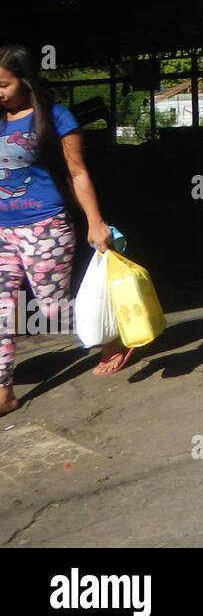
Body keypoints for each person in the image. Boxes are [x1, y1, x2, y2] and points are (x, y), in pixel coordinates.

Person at [0, 45, 130, 413]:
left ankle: (112, 336)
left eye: (4, 84)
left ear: (24, 80)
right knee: (1, 310)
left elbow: (77, 173)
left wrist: (95, 221)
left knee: (52, 310)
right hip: (1, 231)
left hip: (45, 226)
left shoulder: (56, 117)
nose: (0, 92)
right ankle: (4, 393)